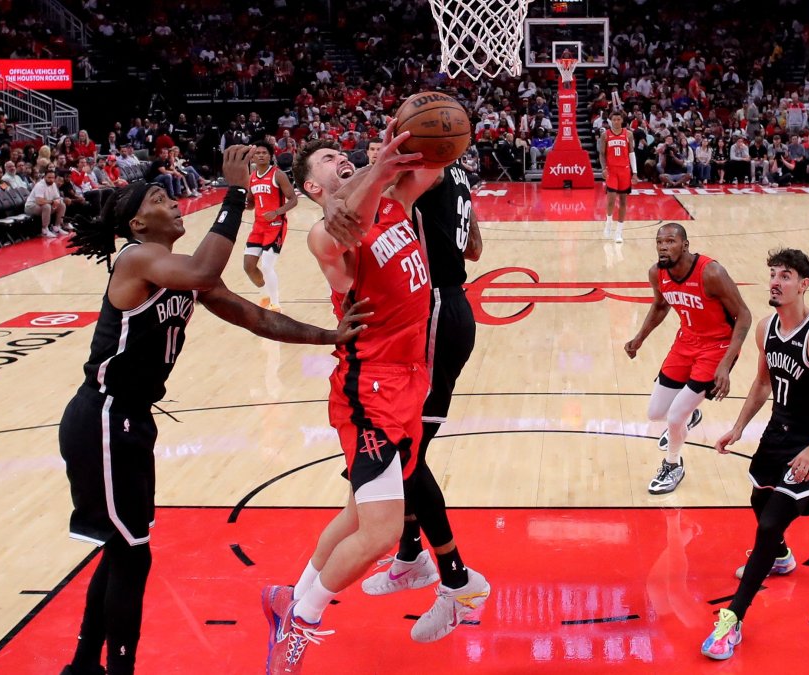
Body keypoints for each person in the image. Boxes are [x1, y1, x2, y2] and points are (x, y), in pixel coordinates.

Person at [58, 145, 368, 675]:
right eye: (160, 198)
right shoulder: (137, 259)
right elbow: (206, 270)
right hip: (103, 418)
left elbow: (250, 315)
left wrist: (328, 336)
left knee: (122, 548)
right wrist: (236, 193)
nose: (175, 202)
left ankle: (84, 667)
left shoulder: (173, 270)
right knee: (133, 554)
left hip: (130, 421)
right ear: (138, 222)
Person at [261, 129, 440, 673]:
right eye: (327, 160)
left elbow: (434, 164)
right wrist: (380, 169)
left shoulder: (393, 202)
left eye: (344, 154)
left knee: (358, 512)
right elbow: (342, 234)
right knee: (383, 531)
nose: (342, 159)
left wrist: (415, 133)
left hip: (409, 377)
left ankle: (285, 595)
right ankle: (302, 619)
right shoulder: (323, 233)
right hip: (372, 390)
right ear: (312, 185)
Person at [704, 248, 809, 660]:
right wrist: (738, 427)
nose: (775, 281)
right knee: (759, 498)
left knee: (769, 522)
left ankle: (732, 621)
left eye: (786, 275)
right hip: (778, 431)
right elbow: (761, 383)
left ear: (804, 285)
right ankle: (780, 557)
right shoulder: (766, 329)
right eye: (773, 273)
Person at [359, 161, 490, 642]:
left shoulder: (430, 171)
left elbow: (372, 189)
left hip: (435, 310)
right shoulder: (457, 174)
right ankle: (412, 553)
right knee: (406, 452)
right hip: (445, 305)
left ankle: (457, 580)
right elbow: (474, 247)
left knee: (403, 454)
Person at [625, 223, 752, 494]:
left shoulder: (711, 272)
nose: (663, 246)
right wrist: (640, 338)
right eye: (659, 241)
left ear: (685, 245)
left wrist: (726, 364)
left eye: (670, 241)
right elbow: (661, 305)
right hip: (686, 342)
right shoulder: (656, 273)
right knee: (656, 413)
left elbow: (744, 315)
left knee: (673, 417)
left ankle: (673, 465)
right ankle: (690, 414)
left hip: (717, 347)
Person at [243, 141, 298, 311]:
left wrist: (277, 212)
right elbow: (252, 203)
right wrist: (245, 205)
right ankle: (266, 293)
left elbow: (293, 199)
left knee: (267, 265)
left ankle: (275, 303)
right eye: (257, 153)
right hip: (258, 226)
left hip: (276, 225)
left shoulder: (278, 175)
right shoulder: (251, 178)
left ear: (270, 156)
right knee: (249, 266)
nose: (260, 155)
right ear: (253, 157)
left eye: (264, 153)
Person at [599, 111, 635, 243]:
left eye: (618, 119)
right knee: (611, 200)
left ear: (622, 120)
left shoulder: (629, 134)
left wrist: (635, 172)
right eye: (613, 119)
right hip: (612, 171)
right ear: (610, 121)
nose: (616, 121)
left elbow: (632, 153)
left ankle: (619, 231)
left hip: (625, 171)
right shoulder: (605, 135)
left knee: (623, 202)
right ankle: (608, 222)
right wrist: (603, 168)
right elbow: (602, 154)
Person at [27, 169, 69, 237]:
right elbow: (39, 201)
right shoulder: (40, 185)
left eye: (53, 178)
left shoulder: (54, 185)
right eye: (49, 177)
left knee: (62, 205)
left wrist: (57, 201)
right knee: (46, 206)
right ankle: (45, 230)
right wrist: (52, 202)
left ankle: (57, 227)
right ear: (44, 177)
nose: (51, 179)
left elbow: (57, 197)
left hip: (44, 205)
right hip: (31, 206)